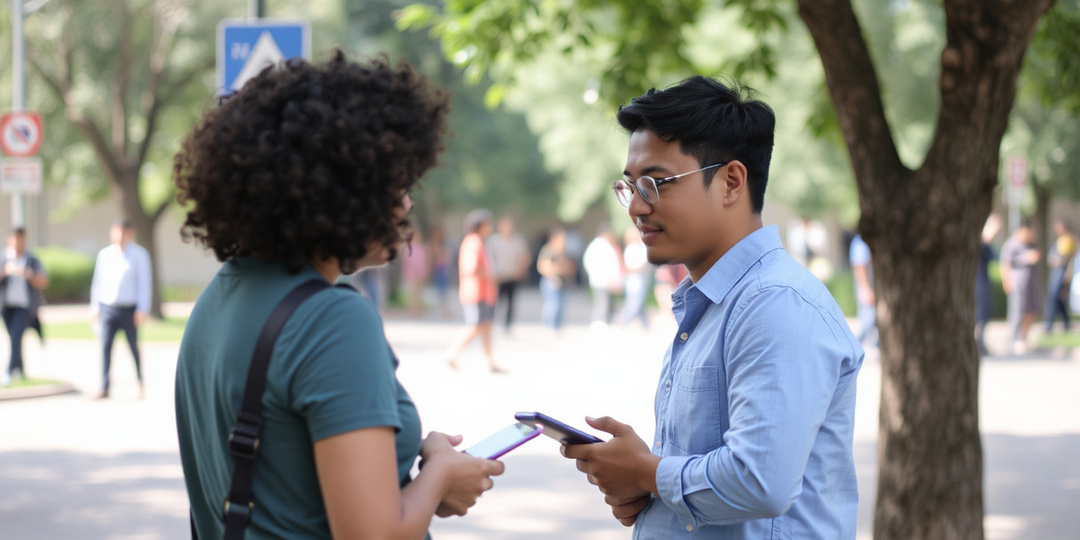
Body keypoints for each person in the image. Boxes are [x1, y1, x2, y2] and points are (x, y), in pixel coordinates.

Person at [172, 52, 503, 539]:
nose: (407, 201)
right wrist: (440, 477)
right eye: (395, 182)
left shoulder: (219, 296)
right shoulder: (331, 320)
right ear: (341, 191)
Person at [561, 76, 864, 538]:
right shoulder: (715, 303)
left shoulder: (774, 303)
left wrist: (646, 473)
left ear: (731, 182)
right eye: (630, 187)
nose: (637, 207)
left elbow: (759, 481)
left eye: (656, 183)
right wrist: (647, 488)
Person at [90, 219, 151, 399]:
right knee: (106, 347)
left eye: (123, 233)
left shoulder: (139, 255)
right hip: (108, 307)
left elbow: (144, 283)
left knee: (133, 346)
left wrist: (142, 308)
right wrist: (95, 306)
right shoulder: (105, 254)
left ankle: (140, 381)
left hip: (129, 308)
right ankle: (105, 386)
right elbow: (98, 283)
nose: (120, 237)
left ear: (130, 234)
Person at [445, 209, 505, 373]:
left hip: (484, 293)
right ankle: (451, 354)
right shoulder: (473, 242)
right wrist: (490, 276)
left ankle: (490, 362)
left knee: (486, 326)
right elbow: (471, 268)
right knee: (475, 326)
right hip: (476, 292)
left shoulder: (479, 242)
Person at [0, 227, 48, 386]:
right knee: (14, 339)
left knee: (16, 336)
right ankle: (20, 369)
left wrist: (29, 274)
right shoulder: (4, 258)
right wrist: (5, 272)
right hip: (6, 307)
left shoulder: (31, 260)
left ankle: (8, 372)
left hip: (25, 307)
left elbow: (44, 281)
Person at [1000, 219, 1041, 355]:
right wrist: (1006, 281)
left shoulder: (1030, 244)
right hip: (1017, 283)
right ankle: (1015, 339)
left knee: (1031, 310)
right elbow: (1005, 264)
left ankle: (1023, 337)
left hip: (1030, 282)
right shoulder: (1012, 244)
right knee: (1017, 311)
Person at [486, 216, 530, 332]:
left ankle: (507, 324)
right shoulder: (493, 241)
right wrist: (492, 273)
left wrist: (521, 270)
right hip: (499, 276)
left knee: (511, 302)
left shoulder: (517, 240)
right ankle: (491, 322)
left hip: (512, 275)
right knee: (496, 301)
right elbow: (489, 258)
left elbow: (524, 257)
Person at [582, 224, 624, 329]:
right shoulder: (599, 245)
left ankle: (605, 321)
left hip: (605, 279)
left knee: (606, 302)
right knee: (602, 302)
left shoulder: (603, 245)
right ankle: (599, 322)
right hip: (601, 279)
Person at [536, 226, 577, 332]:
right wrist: (553, 277)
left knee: (560, 304)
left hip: (562, 280)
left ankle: (557, 326)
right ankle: (550, 325)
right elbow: (543, 266)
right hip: (551, 281)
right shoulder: (549, 250)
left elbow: (570, 266)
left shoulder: (564, 251)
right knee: (553, 304)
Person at [975, 214, 1002, 356]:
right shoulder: (978, 242)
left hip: (983, 281)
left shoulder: (986, 245)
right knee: (978, 312)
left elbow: (995, 257)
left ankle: (980, 340)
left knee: (984, 312)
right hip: (977, 283)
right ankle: (977, 341)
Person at [1043, 219, 1076, 333]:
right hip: (1056, 271)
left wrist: (1068, 274)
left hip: (1062, 272)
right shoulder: (1058, 240)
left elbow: (1070, 259)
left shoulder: (1068, 240)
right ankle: (1066, 323)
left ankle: (1049, 324)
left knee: (1054, 298)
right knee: (1058, 300)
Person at [617, 228, 651, 328]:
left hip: (640, 279)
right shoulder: (631, 248)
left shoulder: (641, 247)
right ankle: (623, 322)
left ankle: (645, 325)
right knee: (634, 303)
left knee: (638, 302)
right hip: (634, 280)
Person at [849, 232, 877, 348]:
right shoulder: (861, 242)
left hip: (868, 287)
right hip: (865, 287)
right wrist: (866, 288)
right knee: (867, 321)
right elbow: (859, 266)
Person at [401, 227, 430, 317]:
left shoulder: (422, 248)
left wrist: (425, 272)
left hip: (420, 273)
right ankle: (412, 310)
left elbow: (425, 261)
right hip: (412, 273)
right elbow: (406, 262)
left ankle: (418, 310)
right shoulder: (409, 248)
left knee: (419, 293)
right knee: (412, 292)